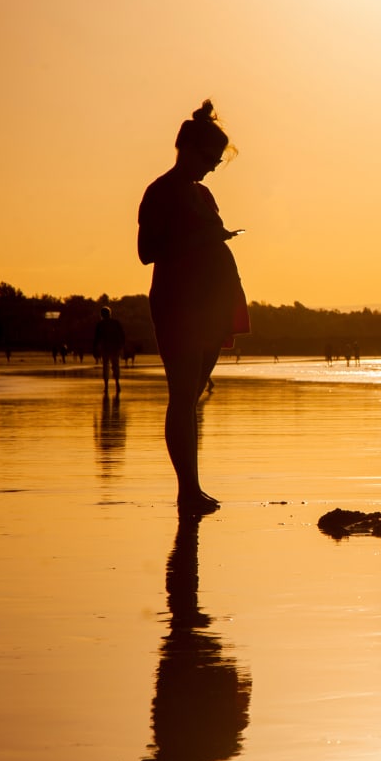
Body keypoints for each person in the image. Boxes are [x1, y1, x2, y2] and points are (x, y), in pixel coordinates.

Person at [138, 100, 250, 514]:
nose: (213, 167)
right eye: (210, 159)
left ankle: (194, 486)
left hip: (212, 302)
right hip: (179, 303)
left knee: (193, 395)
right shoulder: (161, 192)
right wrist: (206, 239)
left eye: (217, 161)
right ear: (186, 148)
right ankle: (187, 490)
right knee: (182, 396)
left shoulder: (202, 193)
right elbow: (146, 252)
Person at [93, 306, 127, 395]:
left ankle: (106, 386)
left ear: (101, 315)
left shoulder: (100, 324)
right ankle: (117, 384)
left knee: (106, 367)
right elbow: (122, 335)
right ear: (110, 314)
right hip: (115, 347)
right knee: (115, 366)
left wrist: (95, 348)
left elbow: (97, 338)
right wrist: (122, 346)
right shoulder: (116, 323)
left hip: (105, 348)